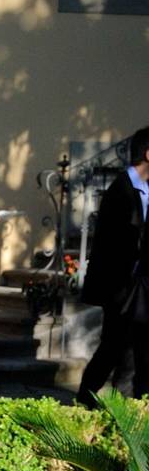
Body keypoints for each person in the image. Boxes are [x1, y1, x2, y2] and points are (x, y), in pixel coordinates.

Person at [76, 126, 149, 408]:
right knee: (114, 346)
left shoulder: (143, 189)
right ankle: (87, 398)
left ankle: (122, 404)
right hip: (120, 286)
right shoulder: (121, 190)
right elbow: (121, 243)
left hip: (137, 287)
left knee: (132, 350)